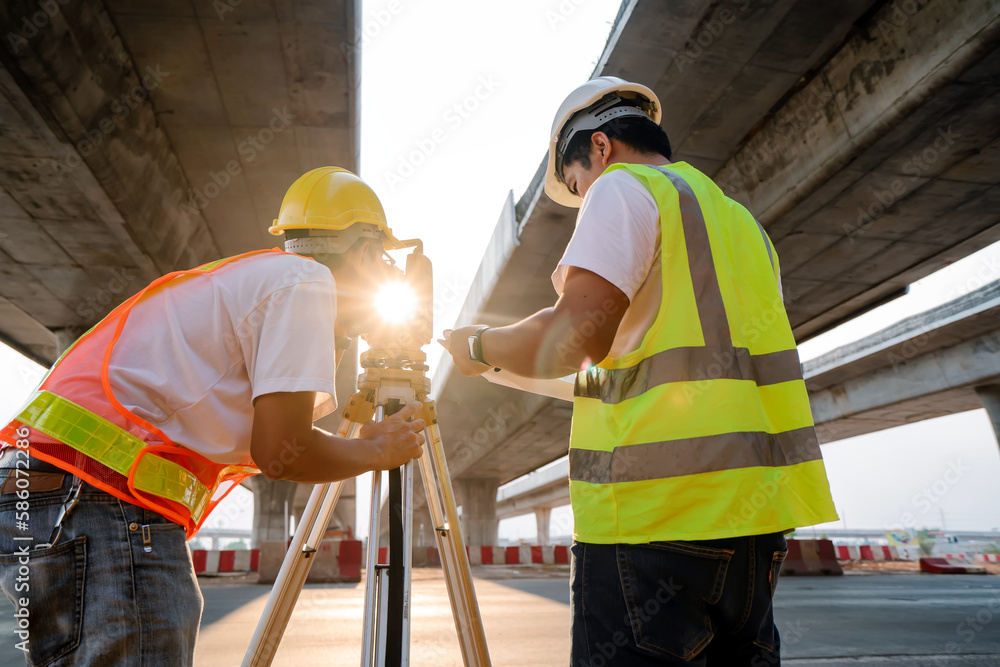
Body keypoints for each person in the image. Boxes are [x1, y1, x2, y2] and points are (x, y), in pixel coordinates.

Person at [440, 77, 839, 666]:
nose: (584, 200)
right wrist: (500, 367)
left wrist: (477, 344)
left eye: (577, 187)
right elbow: (626, 365)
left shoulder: (624, 189)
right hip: (755, 527)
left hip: (655, 526)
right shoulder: (740, 225)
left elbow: (571, 338)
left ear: (599, 148)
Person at [0, 167, 426, 666]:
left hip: (42, 497)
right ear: (364, 251)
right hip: (97, 501)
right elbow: (283, 454)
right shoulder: (306, 283)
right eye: (384, 261)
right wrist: (376, 451)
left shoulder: (256, 278)